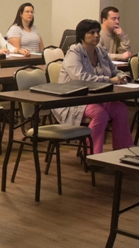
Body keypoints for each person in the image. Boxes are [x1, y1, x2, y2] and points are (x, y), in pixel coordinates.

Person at [52, 19, 133, 155]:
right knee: (100, 114)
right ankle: (93, 155)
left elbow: (114, 70)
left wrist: (122, 76)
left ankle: (123, 153)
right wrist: (110, 80)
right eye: (91, 32)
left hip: (97, 97)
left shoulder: (101, 51)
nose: (96, 35)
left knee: (121, 109)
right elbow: (82, 79)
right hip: (74, 99)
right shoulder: (73, 53)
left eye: (97, 32)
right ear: (82, 35)